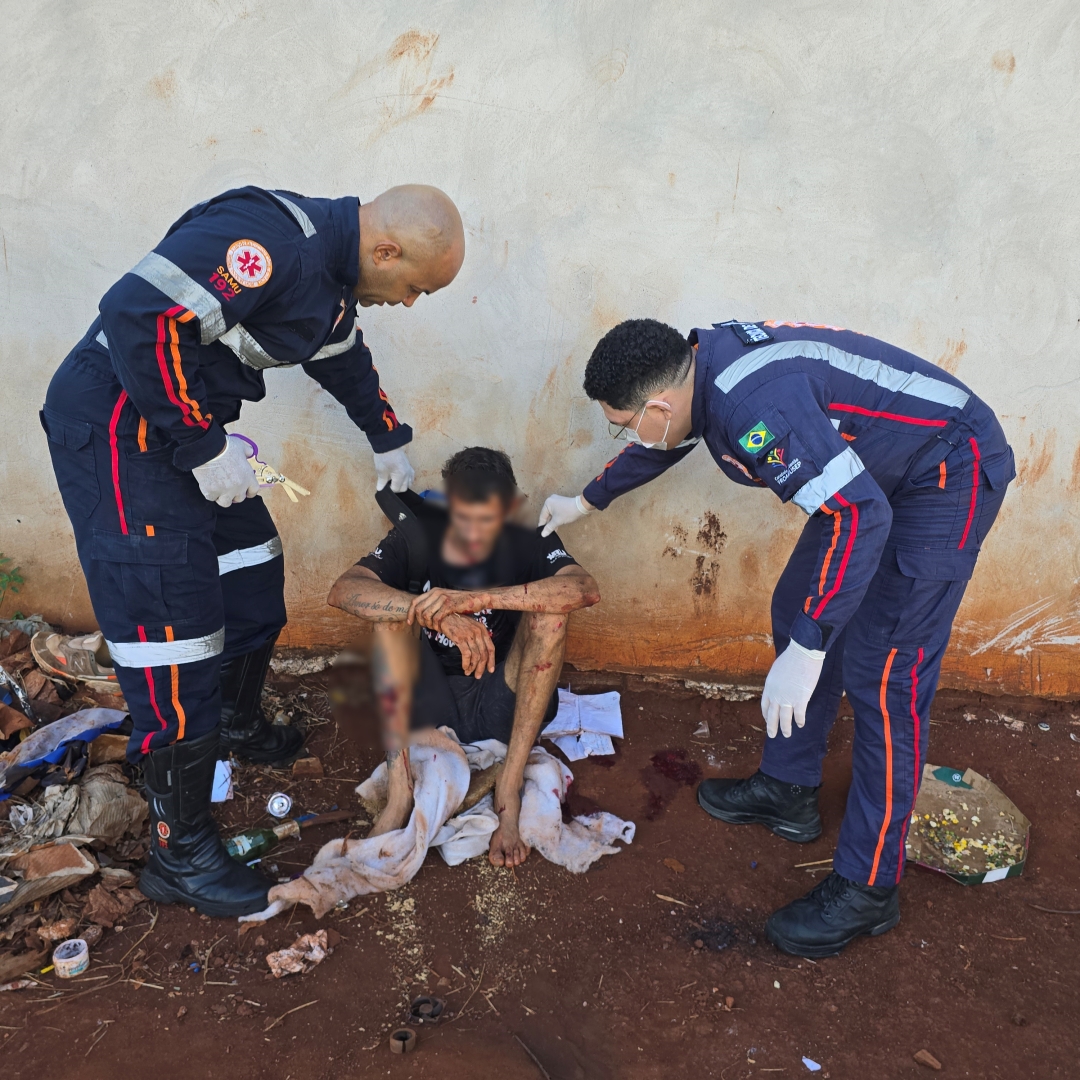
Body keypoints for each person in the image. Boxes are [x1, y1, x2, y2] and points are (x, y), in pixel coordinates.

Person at [41, 184, 465, 916]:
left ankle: (231, 721)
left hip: (183, 432)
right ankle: (181, 853)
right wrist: (204, 446)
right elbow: (138, 313)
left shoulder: (331, 283)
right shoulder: (267, 241)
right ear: (387, 251)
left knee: (250, 566)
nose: (410, 302)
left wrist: (386, 432)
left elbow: (339, 354)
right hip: (123, 429)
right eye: (415, 287)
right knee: (172, 631)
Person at [539, 318, 1014, 957]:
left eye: (624, 424)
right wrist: (589, 501)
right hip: (869, 473)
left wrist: (813, 647)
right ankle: (790, 790)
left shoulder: (754, 405)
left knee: (885, 675)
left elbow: (857, 515)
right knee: (799, 605)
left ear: (658, 404)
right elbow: (671, 440)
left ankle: (869, 887)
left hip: (944, 469)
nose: (629, 433)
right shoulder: (699, 372)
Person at [328, 446, 600, 866]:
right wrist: (433, 615)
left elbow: (583, 589)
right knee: (387, 618)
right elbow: (345, 590)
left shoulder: (529, 537)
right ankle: (400, 795)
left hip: (500, 702)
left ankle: (508, 789)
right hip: (428, 707)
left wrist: (474, 600)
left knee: (552, 618)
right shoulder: (420, 534)